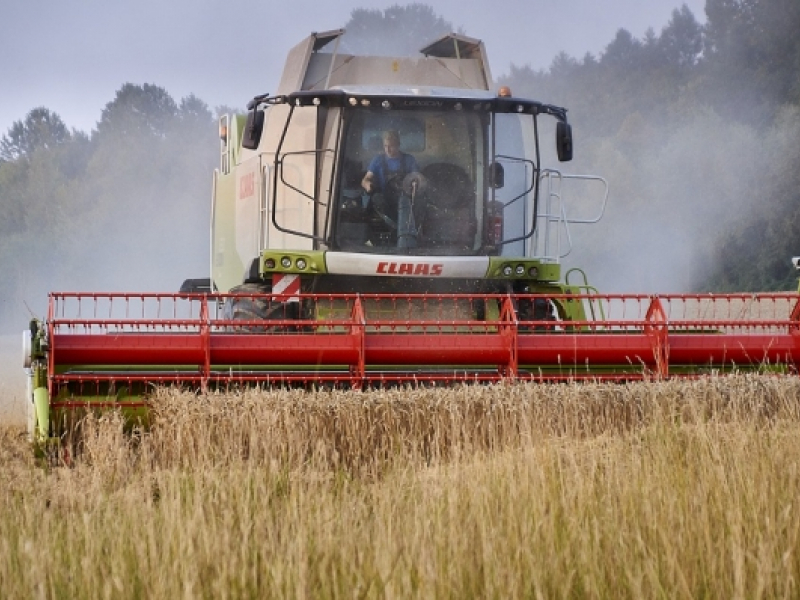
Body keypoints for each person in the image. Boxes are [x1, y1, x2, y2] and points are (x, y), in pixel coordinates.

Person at [361, 129, 420, 195]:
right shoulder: (377, 160)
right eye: (385, 146)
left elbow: (417, 178)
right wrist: (367, 184)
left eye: (391, 146)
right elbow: (366, 179)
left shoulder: (409, 160)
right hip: (382, 198)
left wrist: (415, 183)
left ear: (398, 145)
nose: (388, 150)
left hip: (404, 198)